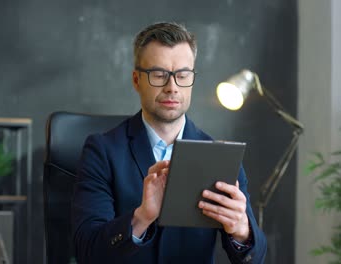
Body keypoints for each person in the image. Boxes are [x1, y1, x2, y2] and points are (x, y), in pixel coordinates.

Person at [72, 22, 267, 264]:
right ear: (136, 80)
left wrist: (241, 230)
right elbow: (87, 252)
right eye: (159, 75)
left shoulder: (221, 157)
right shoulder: (102, 151)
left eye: (182, 75)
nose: (172, 87)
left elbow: (253, 259)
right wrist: (141, 218)